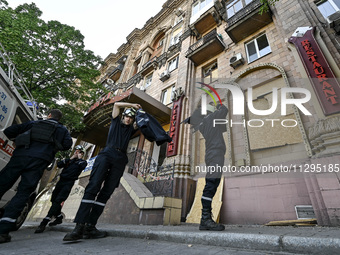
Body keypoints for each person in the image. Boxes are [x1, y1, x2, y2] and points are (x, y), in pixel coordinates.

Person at [63, 102, 141, 241]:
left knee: (107, 191)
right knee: (93, 186)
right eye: (127, 116)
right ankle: (78, 227)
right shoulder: (116, 122)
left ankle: (90, 227)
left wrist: (140, 112)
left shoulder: (131, 130)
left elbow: (143, 122)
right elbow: (117, 105)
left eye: (131, 117)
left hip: (120, 158)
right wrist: (131, 105)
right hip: (107, 154)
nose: (129, 119)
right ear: (123, 117)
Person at [0, 109, 72, 244]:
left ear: (49, 115)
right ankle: (3, 231)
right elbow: (67, 145)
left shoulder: (34, 123)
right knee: (23, 193)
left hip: (20, 156)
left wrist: (19, 141)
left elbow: (9, 131)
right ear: (59, 118)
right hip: (39, 162)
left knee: (2, 184)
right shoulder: (62, 130)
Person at [183, 103, 228, 231]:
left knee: (213, 183)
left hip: (212, 154)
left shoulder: (204, 123)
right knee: (211, 183)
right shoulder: (210, 119)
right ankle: (205, 219)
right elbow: (224, 110)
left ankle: (206, 218)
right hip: (215, 154)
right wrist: (219, 105)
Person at [35, 145, 88, 233]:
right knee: (54, 199)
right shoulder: (69, 161)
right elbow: (59, 165)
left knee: (58, 200)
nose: (76, 153)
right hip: (61, 181)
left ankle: (44, 222)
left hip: (68, 183)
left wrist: (79, 158)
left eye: (78, 152)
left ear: (82, 154)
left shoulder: (82, 162)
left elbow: (82, 166)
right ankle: (59, 217)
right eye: (76, 151)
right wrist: (71, 158)